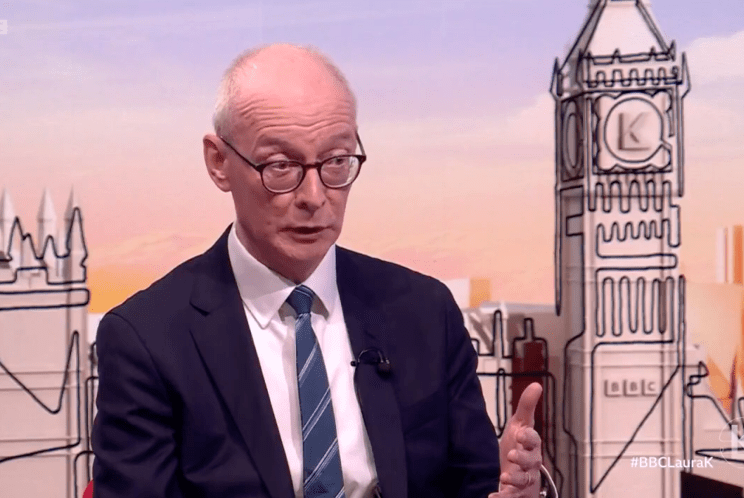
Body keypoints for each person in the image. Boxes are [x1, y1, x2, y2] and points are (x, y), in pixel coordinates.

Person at [92, 43, 544, 498]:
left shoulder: (425, 312)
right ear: (219, 162)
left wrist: (509, 490)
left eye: (336, 162)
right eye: (281, 166)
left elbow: (474, 484)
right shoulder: (147, 339)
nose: (314, 196)